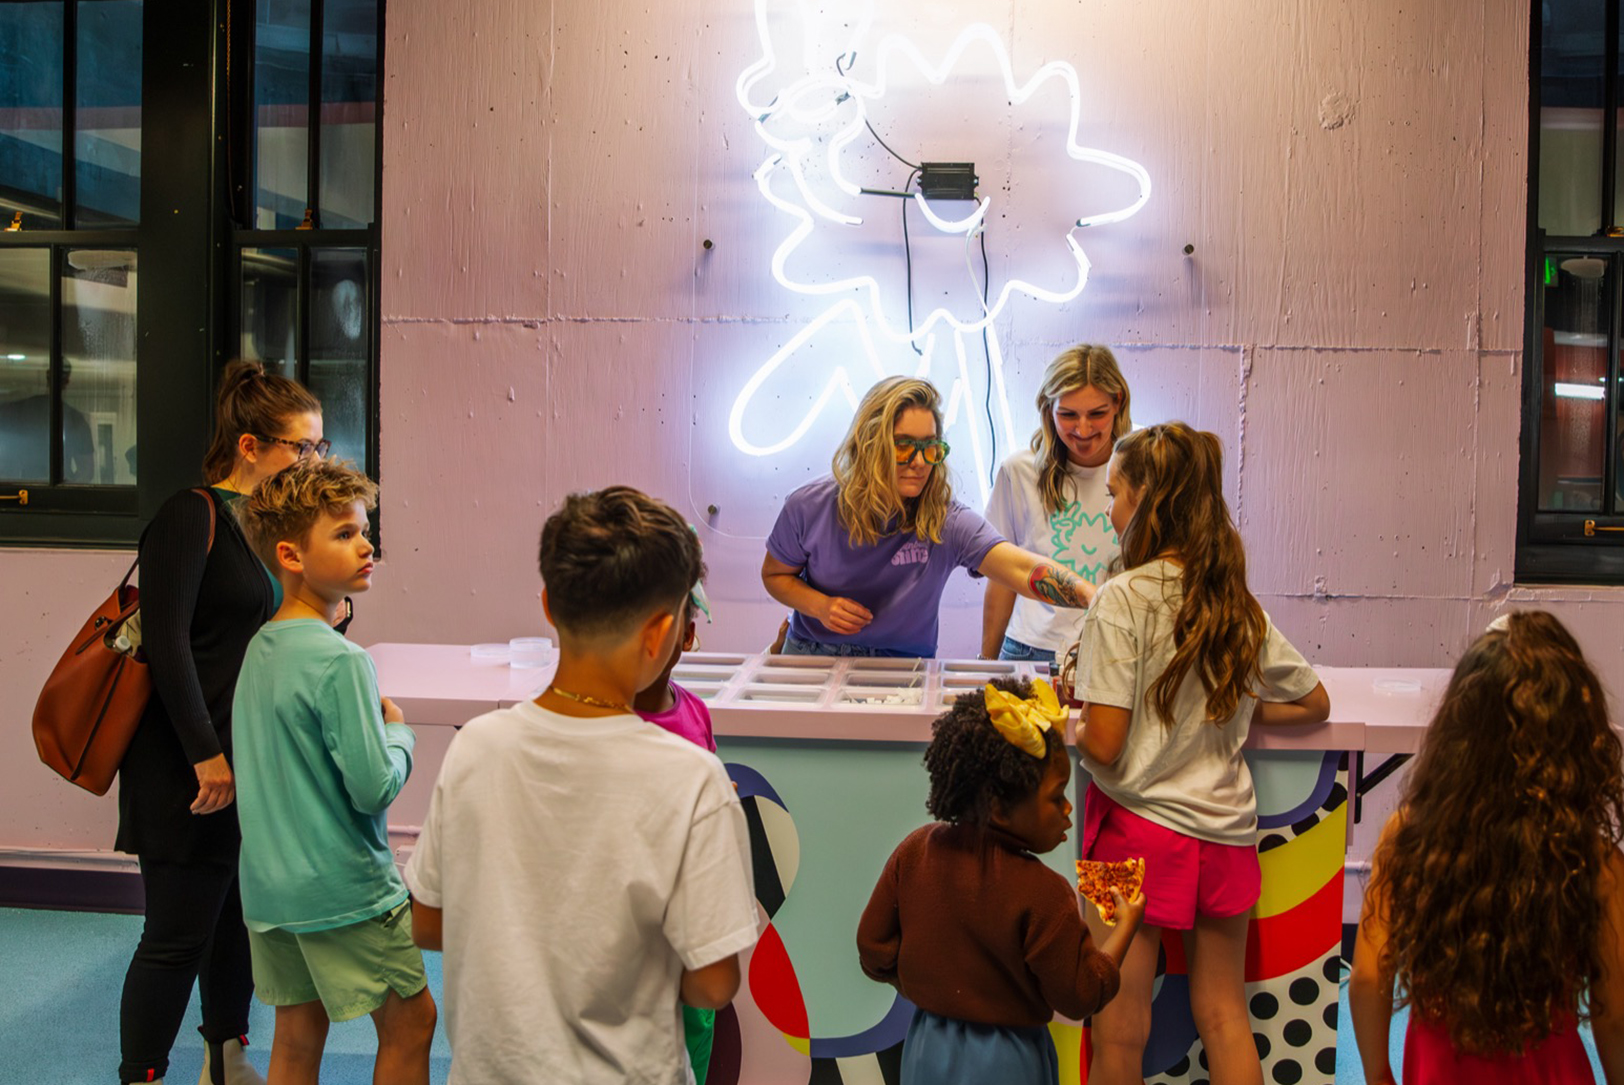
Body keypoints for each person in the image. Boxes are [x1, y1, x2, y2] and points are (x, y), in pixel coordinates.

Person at [405, 486, 759, 1084]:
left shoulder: (476, 747)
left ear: (547, 604)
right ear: (663, 632)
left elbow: (428, 923)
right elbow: (713, 983)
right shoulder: (692, 779)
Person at [1074, 422, 1330, 1085]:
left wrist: (1067, 722)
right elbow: (1314, 701)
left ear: (1145, 500)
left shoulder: (1120, 598)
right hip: (1225, 835)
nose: (1110, 510)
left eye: (1115, 494)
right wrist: (1236, 708)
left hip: (1129, 836)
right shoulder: (1232, 602)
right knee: (1223, 1014)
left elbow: (1105, 743)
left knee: (1117, 1025)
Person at [114, 359, 324, 1085]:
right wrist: (206, 754)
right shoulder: (191, 514)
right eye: (301, 446)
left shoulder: (274, 528)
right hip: (186, 762)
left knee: (236, 920)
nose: (312, 460)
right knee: (176, 935)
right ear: (250, 445)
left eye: (318, 446)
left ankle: (225, 1057)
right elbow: (167, 643)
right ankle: (141, 1074)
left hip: (250, 757)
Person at [1350, 611, 1624, 1084]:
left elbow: (1369, 977)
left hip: (1440, 1070)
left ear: (1460, 726)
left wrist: (1378, 1076)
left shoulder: (1410, 834)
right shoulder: (1593, 860)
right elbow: (1615, 1017)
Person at [231, 459, 435, 1085]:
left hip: (270, 890)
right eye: (344, 534)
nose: (365, 545)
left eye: (363, 531)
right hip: (343, 891)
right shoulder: (342, 661)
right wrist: (398, 733)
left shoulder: (260, 647)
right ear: (291, 555)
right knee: (412, 1022)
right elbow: (373, 787)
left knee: (296, 1036)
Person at [857, 677, 1143, 1084]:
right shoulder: (1044, 893)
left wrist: (929, 989)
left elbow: (873, 950)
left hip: (926, 1048)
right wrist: (1124, 929)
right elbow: (1080, 995)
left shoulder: (915, 850)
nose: (1067, 809)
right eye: (1056, 796)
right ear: (999, 808)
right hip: (1010, 1060)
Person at [762, 376, 1097, 658]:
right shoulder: (809, 505)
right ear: (869, 445)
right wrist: (820, 606)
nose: (920, 462)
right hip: (812, 653)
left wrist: (1090, 595)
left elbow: (1023, 569)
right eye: (903, 446)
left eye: (930, 446)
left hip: (902, 665)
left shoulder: (945, 520)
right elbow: (775, 574)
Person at [982, 345, 1132, 663]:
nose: (1083, 429)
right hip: (1029, 650)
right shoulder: (1019, 471)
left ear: (1118, 402)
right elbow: (1002, 578)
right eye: (1068, 415)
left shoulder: (1143, 471)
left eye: (1097, 414)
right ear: (1048, 408)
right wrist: (986, 665)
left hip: (1116, 650)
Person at [634, 579, 721, 1082]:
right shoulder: (602, 719)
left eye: (661, 626)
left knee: (696, 1029)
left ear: (687, 636)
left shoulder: (694, 712)